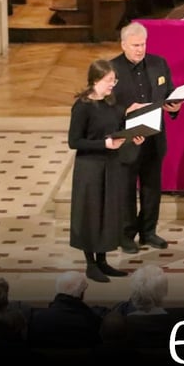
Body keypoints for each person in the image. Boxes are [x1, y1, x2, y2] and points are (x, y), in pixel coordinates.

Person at [68, 59, 144, 283]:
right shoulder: (82, 106)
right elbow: (74, 141)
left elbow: (117, 129)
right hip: (90, 168)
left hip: (110, 166)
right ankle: (91, 264)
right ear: (95, 80)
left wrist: (132, 137)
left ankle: (102, 260)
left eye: (114, 80)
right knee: (91, 214)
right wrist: (104, 144)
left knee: (107, 213)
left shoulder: (110, 102)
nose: (113, 84)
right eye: (109, 80)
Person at [110, 22, 180, 255]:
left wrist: (174, 106)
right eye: (135, 45)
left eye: (143, 44)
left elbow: (169, 91)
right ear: (123, 45)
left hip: (154, 137)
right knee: (127, 190)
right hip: (128, 139)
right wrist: (125, 111)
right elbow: (105, 106)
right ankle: (126, 234)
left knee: (152, 188)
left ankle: (148, 231)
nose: (140, 49)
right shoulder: (112, 70)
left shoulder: (158, 63)